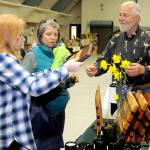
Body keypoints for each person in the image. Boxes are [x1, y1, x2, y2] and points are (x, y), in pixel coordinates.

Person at [0, 14, 82, 150]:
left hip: (19, 130)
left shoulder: (8, 60)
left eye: (55, 34)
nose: (23, 39)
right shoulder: (6, 62)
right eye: (19, 35)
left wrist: (60, 72)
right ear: (8, 37)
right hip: (14, 134)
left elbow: (31, 79)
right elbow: (33, 86)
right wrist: (64, 69)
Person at [22, 19, 79, 150]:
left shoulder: (57, 54)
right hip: (42, 114)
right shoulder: (32, 56)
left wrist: (70, 81)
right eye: (48, 34)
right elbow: (24, 85)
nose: (53, 37)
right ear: (40, 36)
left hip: (59, 112)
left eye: (55, 34)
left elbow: (56, 82)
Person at [86, 1, 150, 91]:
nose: (121, 18)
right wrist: (96, 68)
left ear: (137, 18)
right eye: (120, 15)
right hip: (118, 92)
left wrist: (143, 69)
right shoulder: (115, 39)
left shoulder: (148, 38)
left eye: (125, 15)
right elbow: (104, 60)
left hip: (143, 95)